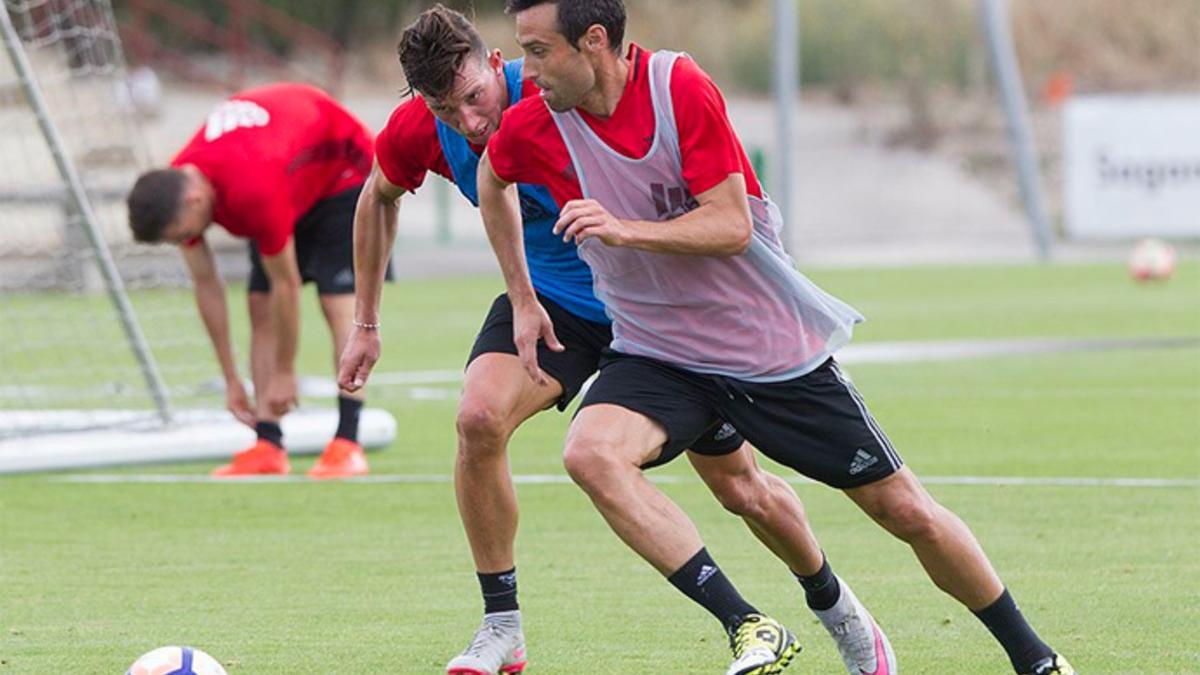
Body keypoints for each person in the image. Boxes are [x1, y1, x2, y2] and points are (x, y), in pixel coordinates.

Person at [476, 1, 1078, 674]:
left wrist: (623, 229)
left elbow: (730, 225)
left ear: (594, 41)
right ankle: (751, 622)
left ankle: (1035, 657)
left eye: (539, 52)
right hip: (658, 351)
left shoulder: (679, 89)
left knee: (903, 509)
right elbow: (492, 178)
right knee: (591, 453)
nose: (527, 71)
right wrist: (523, 300)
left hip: (765, 347)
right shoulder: (535, 123)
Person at [338, 6, 894, 675]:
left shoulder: (563, 87)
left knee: (740, 487)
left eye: (474, 100)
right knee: (478, 418)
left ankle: (838, 608)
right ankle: (504, 626)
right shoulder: (423, 128)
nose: (469, 123)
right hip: (554, 305)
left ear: (496, 67)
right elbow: (378, 196)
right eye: (444, 111)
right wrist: (366, 324)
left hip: (658, 307)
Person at [127, 82, 381, 479]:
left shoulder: (252, 192)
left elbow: (288, 284)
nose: (183, 241)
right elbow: (205, 284)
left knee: (337, 303)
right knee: (258, 306)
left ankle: (348, 442)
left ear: (194, 201)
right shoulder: (181, 188)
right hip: (288, 176)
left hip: (342, 173)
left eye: (180, 235)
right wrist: (231, 379)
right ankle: (268, 443)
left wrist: (284, 371)